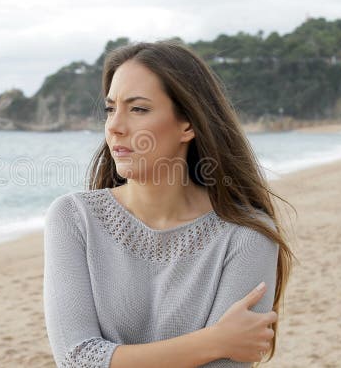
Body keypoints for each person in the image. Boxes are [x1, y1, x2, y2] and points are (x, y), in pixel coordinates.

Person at [43, 40, 296, 367]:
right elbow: (77, 359)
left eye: (138, 109)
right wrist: (214, 341)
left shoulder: (248, 237)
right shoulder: (73, 218)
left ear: (187, 124)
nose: (115, 126)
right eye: (110, 108)